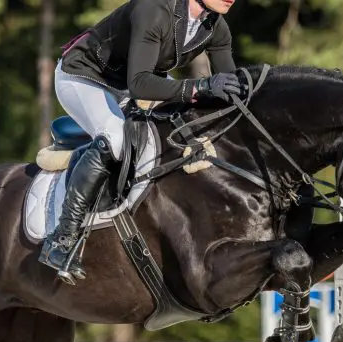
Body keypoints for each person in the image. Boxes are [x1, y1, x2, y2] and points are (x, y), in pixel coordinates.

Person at [40, 0, 247, 284]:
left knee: (181, 132)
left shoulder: (215, 27)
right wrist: (200, 86)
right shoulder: (154, 9)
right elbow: (139, 84)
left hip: (131, 86)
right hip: (86, 77)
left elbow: (230, 86)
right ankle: (61, 239)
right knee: (115, 139)